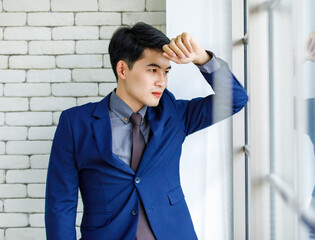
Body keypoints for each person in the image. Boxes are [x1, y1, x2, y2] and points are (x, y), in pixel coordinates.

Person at [44, 22, 248, 240]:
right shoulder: (76, 124)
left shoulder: (175, 116)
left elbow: (235, 99)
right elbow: (60, 204)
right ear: (122, 69)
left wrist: (202, 58)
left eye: (166, 72)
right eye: (153, 70)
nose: (162, 81)